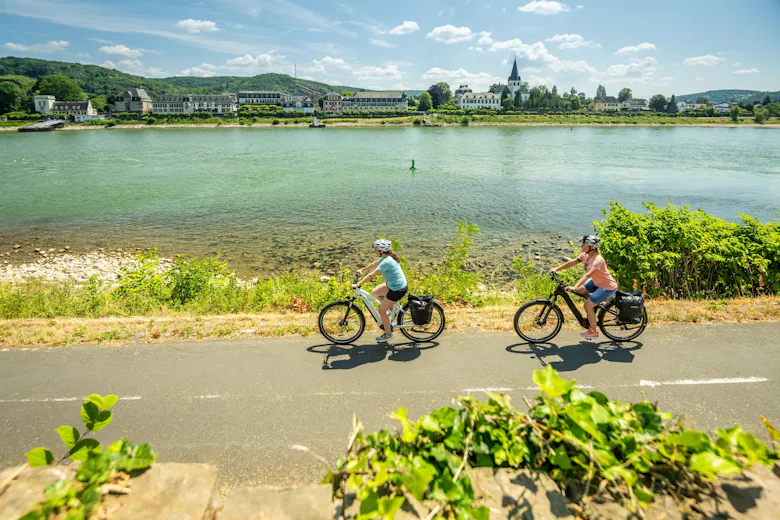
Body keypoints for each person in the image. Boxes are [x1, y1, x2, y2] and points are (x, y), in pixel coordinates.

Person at [550, 235, 618, 339]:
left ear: (592, 247)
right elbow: (573, 262)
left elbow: (587, 275)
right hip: (596, 282)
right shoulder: (586, 255)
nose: (581, 246)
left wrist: (575, 286)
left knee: (587, 306)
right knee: (581, 291)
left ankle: (593, 332)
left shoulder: (597, 260)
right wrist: (557, 268)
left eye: (584, 244)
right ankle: (598, 302)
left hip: (606, 286)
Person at [353, 239, 408, 343]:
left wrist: (358, 284)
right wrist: (362, 270)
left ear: (381, 251)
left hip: (397, 289)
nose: (375, 251)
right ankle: (392, 309)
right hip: (394, 285)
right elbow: (374, 264)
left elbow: (371, 275)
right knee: (375, 292)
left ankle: (388, 334)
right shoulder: (385, 257)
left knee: (381, 311)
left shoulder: (387, 261)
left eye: (376, 249)